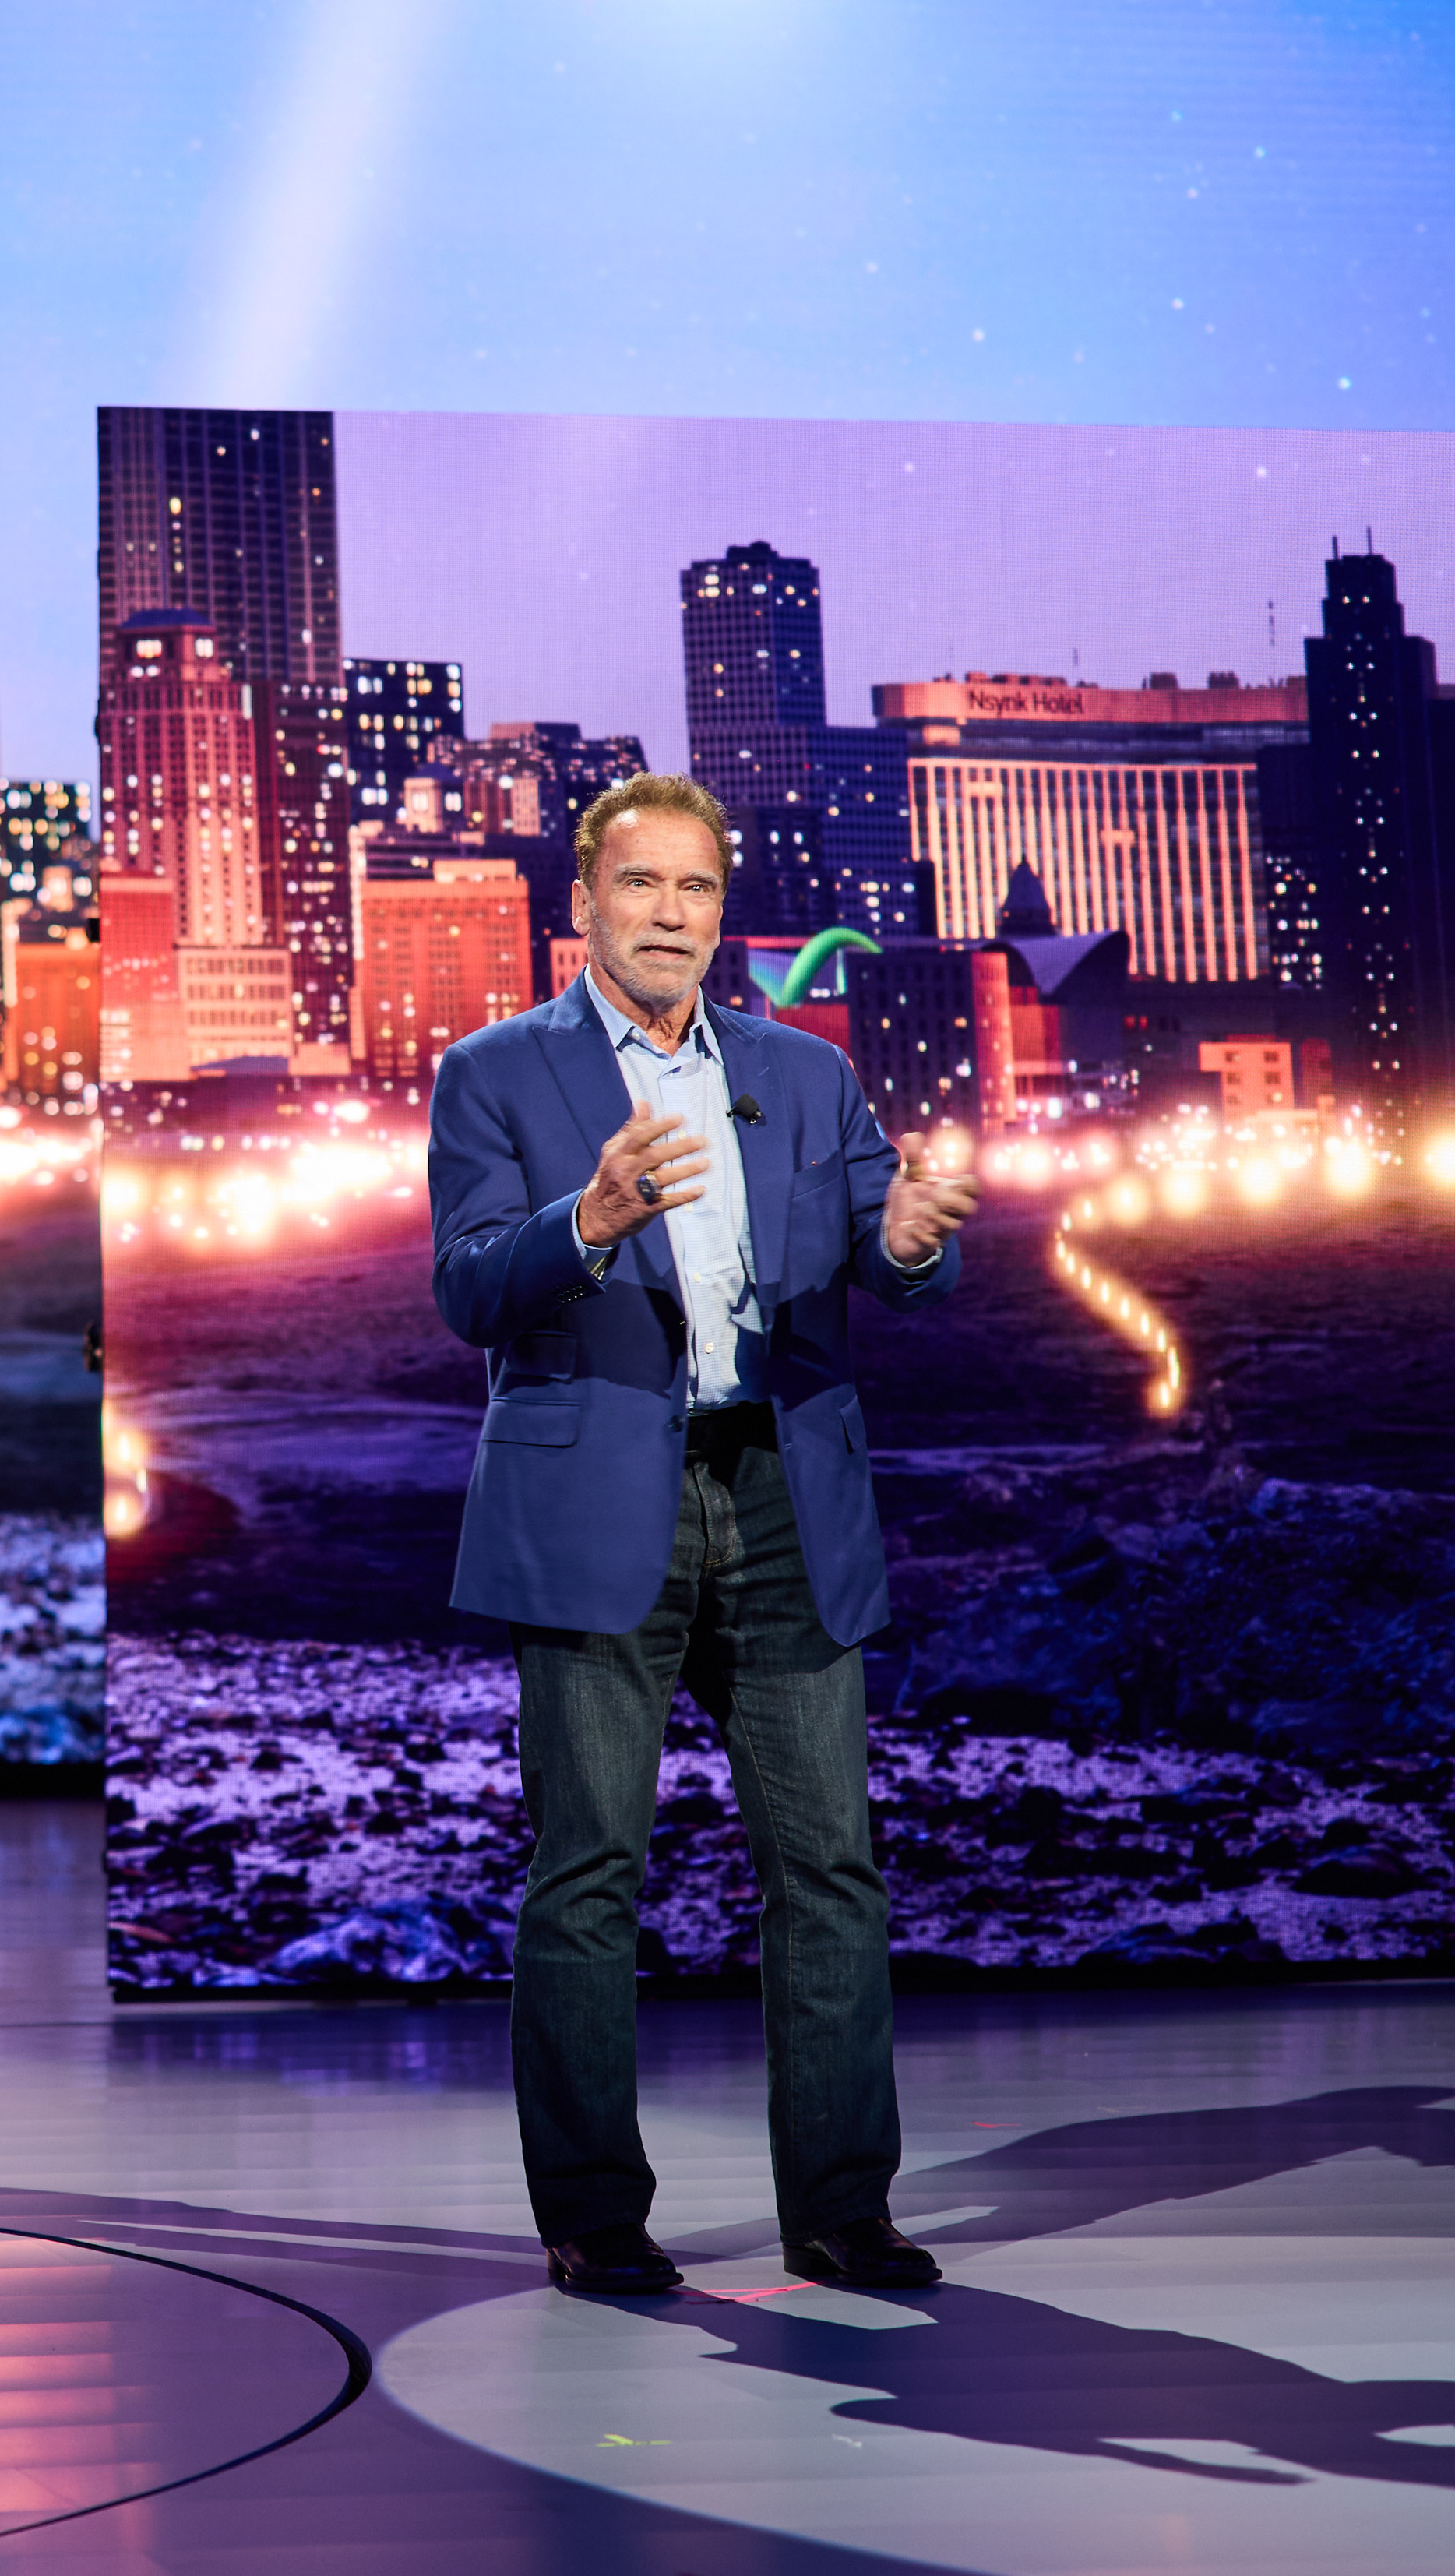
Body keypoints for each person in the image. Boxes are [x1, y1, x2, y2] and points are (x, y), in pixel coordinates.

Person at [426, 772, 981, 2296]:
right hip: (599, 1496)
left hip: (785, 1491)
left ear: (722, 914)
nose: (670, 915)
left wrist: (908, 1245)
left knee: (829, 1867)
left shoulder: (804, 1073)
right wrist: (589, 1222)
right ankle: (594, 2215)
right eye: (641, 884)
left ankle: (843, 2208)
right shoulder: (492, 1074)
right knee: (588, 1867)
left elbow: (892, 1246)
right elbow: (468, 1286)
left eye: (697, 889)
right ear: (583, 905)